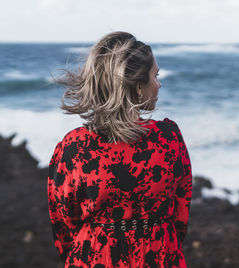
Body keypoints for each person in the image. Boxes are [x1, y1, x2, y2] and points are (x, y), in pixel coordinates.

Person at [47, 31, 192, 267]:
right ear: (137, 86)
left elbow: (63, 223)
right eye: (155, 75)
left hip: (92, 257)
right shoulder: (168, 138)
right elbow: (181, 211)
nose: (159, 83)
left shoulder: (74, 148)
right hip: (160, 255)